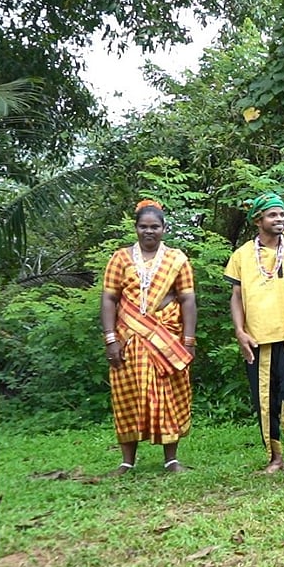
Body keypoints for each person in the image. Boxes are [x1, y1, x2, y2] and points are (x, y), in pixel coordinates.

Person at [225, 193, 284, 481]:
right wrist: (240, 332)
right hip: (258, 340)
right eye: (272, 215)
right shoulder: (242, 255)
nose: (279, 219)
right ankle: (275, 457)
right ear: (258, 220)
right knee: (264, 402)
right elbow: (236, 296)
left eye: (281, 214)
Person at [101, 199, 197, 476]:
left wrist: (188, 341)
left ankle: (171, 460)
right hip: (128, 339)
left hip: (167, 339)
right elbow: (109, 298)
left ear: (164, 228)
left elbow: (188, 299)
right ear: (136, 228)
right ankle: (127, 461)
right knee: (126, 397)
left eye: (154, 226)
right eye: (143, 226)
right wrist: (110, 339)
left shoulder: (176, 259)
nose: (149, 231)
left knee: (170, 395)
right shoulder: (120, 258)